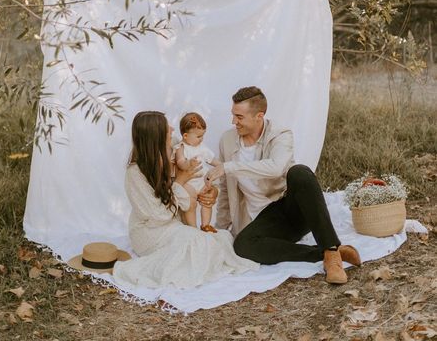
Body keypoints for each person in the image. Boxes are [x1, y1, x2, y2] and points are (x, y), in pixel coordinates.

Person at [205, 86, 361, 284]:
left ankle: (331, 251)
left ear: (259, 116)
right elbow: (227, 190)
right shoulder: (227, 140)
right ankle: (323, 254)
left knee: (300, 173)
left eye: (239, 117)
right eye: (233, 115)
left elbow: (276, 168)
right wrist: (220, 228)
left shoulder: (280, 134)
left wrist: (229, 167)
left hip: (290, 210)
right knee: (242, 246)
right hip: (263, 219)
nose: (233, 122)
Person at [112, 111, 258, 289]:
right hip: (151, 231)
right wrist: (180, 181)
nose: (173, 129)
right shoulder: (135, 173)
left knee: (220, 239)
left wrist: (212, 191)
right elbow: (158, 216)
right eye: (167, 128)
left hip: (176, 224)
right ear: (155, 137)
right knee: (197, 243)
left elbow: (200, 171)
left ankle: (194, 243)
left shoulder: (174, 147)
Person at [174, 112, 221, 232]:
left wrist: (222, 166)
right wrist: (188, 163)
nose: (202, 139)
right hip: (188, 183)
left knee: (207, 201)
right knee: (191, 204)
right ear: (185, 136)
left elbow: (212, 160)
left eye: (202, 136)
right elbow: (180, 162)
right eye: (198, 136)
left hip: (201, 181)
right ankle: (193, 228)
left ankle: (205, 225)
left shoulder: (202, 147)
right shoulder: (180, 148)